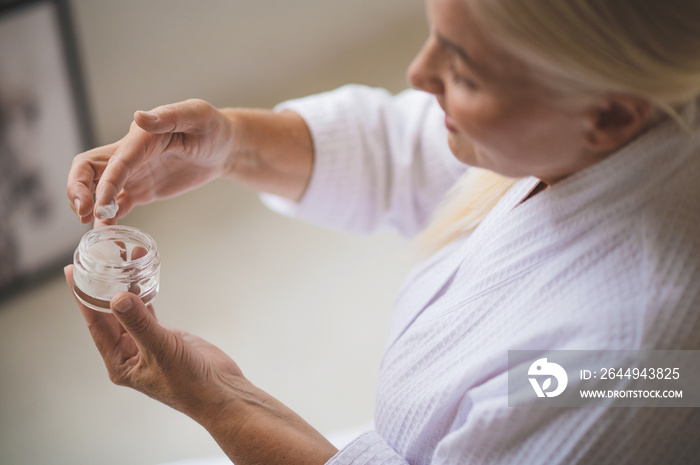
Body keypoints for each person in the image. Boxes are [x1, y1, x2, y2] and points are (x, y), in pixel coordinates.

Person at [65, 0, 700, 464]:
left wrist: (219, 400)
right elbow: (411, 148)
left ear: (612, 115)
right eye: (436, 33)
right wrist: (230, 146)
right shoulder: (624, 115)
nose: (418, 73)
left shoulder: (632, 367)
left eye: (465, 72)